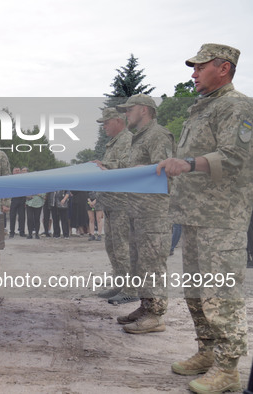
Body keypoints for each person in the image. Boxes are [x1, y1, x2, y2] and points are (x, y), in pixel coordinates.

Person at [157, 43, 253, 393]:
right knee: (197, 291)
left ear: (223, 68)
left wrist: (189, 163)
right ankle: (207, 352)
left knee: (221, 293)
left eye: (200, 67)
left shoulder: (237, 105)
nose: (193, 73)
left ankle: (228, 370)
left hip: (222, 217)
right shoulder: (201, 108)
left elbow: (235, 156)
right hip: (195, 214)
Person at [113, 94, 174, 335]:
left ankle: (156, 315)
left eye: (130, 109)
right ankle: (145, 306)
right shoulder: (139, 138)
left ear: (144, 110)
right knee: (139, 263)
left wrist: (140, 170)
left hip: (154, 212)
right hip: (137, 209)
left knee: (152, 263)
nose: (126, 114)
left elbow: (166, 169)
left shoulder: (158, 135)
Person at [94, 107, 136, 304]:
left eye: (106, 123)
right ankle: (119, 284)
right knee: (111, 245)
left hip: (122, 203)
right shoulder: (113, 143)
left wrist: (105, 166)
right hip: (111, 203)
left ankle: (130, 289)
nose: (104, 127)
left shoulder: (128, 140)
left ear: (118, 121)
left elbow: (128, 165)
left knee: (122, 247)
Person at [9, 167, 26, 238]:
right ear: (13, 172)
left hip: (22, 200)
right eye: (16, 171)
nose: (17, 172)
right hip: (13, 200)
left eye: (18, 171)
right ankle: (12, 232)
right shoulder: (10, 179)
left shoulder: (23, 179)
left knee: (22, 217)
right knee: (12, 217)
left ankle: (22, 232)